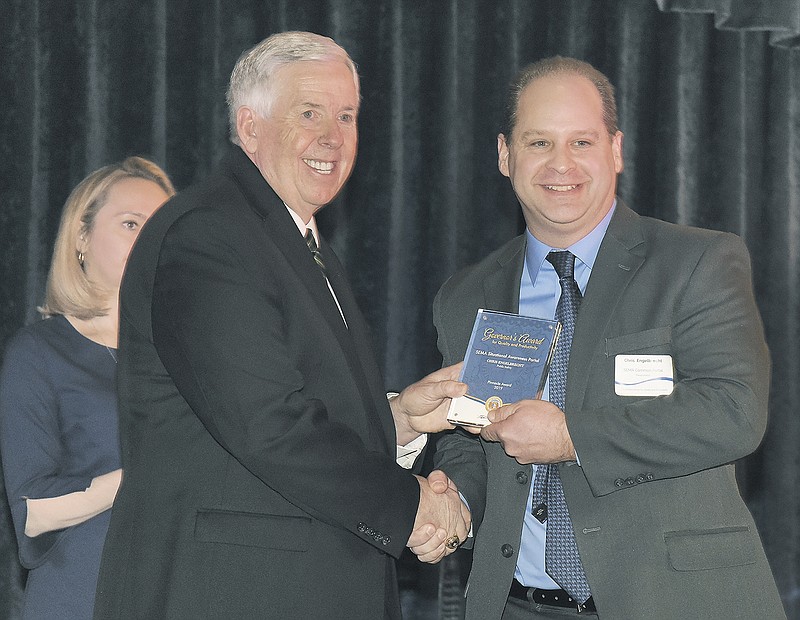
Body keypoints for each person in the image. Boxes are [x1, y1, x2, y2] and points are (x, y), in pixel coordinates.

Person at [93, 31, 469, 620]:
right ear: (249, 127)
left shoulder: (292, 240)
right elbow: (267, 425)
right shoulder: (209, 237)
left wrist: (395, 420)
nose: (333, 137)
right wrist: (409, 508)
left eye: (346, 116)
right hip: (234, 592)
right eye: (309, 113)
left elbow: (277, 403)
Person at [432, 56, 786, 619]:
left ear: (615, 150)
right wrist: (455, 502)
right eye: (539, 142)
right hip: (513, 605)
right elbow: (469, 436)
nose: (560, 164)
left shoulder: (697, 263)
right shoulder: (465, 296)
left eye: (582, 142)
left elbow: (734, 411)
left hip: (673, 602)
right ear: (505, 156)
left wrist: (574, 436)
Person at [0, 157, 174, 619]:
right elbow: (33, 511)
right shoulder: (39, 353)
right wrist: (138, 475)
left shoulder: (187, 358)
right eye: (131, 224)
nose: (147, 241)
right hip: (81, 596)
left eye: (160, 229)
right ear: (82, 238)